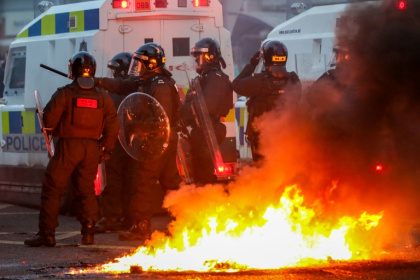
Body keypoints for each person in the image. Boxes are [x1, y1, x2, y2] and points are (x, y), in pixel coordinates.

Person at [24, 51, 120, 247]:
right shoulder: (103, 97)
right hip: (91, 149)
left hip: (68, 146)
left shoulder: (64, 93)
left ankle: (47, 234)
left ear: (73, 70)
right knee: (86, 190)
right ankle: (88, 233)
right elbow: (113, 124)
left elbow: (48, 121)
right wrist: (106, 148)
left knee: (53, 188)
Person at [96, 42, 182, 241]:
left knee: (142, 182)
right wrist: (97, 82)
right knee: (171, 183)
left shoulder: (160, 85)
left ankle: (141, 226)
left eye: (141, 63)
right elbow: (122, 85)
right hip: (162, 140)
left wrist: (142, 130)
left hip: (157, 140)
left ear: (151, 64)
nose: (137, 67)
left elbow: (163, 117)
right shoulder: (148, 81)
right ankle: (185, 220)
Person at [232, 40, 302, 163]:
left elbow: (236, 85)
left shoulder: (259, 81)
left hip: (263, 138)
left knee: (264, 171)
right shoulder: (294, 80)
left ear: (265, 58)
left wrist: (252, 64)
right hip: (288, 135)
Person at [179, 37, 233, 185]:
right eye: (195, 56)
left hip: (210, 130)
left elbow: (206, 106)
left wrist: (184, 114)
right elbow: (190, 104)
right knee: (197, 171)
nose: (196, 60)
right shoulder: (201, 79)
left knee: (204, 173)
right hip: (199, 131)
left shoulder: (217, 79)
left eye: (199, 56)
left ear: (210, 57)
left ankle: (209, 202)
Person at [95, 52, 136, 233]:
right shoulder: (137, 91)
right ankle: (129, 218)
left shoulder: (110, 96)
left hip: (115, 145)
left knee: (112, 182)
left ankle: (111, 218)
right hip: (133, 146)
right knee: (131, 183)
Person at [306, 45, 351, 110]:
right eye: (336, 55)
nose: (335, 56)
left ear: (346, 57)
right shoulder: (362, 81)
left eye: (338, 55)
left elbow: (311, 96)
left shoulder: (331, 76)